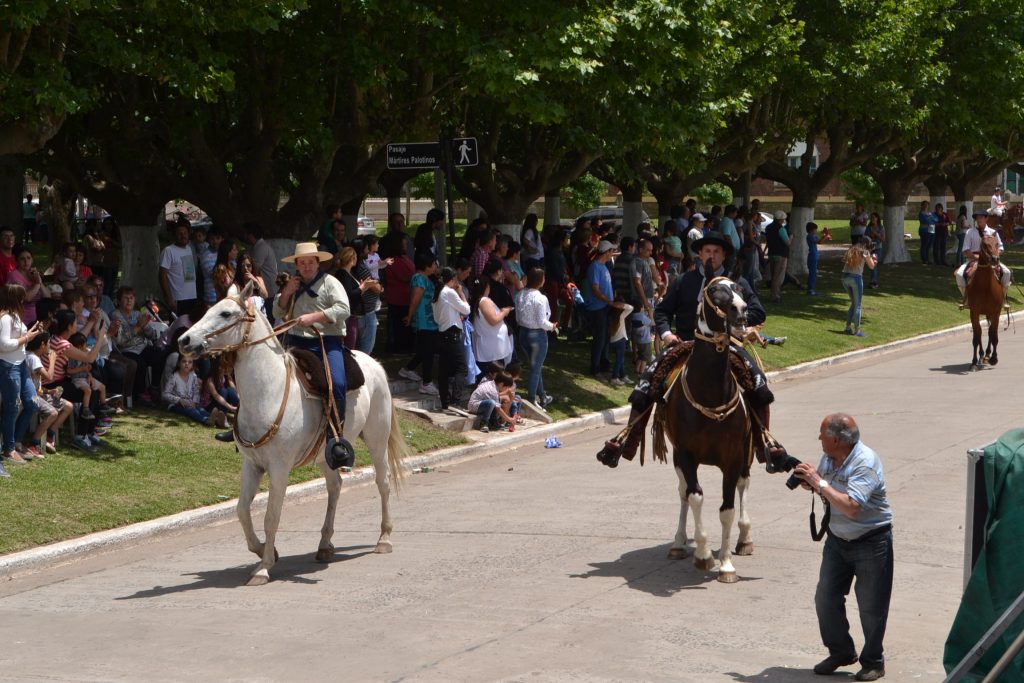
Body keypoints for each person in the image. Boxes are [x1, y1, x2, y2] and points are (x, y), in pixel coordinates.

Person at [598, 234, 779, 469]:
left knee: (757, 380)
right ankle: (627, 439)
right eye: (707, 252)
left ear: (724, 255)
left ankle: (766, 444)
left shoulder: (737, 283)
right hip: (686, 343)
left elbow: (758, 311)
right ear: (700, 255)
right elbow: (662, 312)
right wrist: (666, 335)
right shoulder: (685, 280)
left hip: (726, 344)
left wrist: (735, 324)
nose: (711, 256)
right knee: (649, 379)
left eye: (716, 252)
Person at [793, 413, 893, 682]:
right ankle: (841, 652)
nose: (818, 438)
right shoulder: (831, 457)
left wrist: (819, 483)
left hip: (872, 542)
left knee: (872, 607)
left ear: (835, 440)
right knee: (825, 599)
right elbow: (827, 487)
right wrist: (809, 480)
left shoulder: (865, 462)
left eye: (822, 434)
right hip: (838, 541)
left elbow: (850, 507)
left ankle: (873, 661)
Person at [274, 242, 352, 454]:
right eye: (302, 263)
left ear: (318, 263)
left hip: (326, 341)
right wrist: (286, 293)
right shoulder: (293, 284)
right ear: (297, 265)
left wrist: (315, 317)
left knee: (336, 382)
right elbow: (277, 312)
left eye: (310, 262)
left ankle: (335, 436)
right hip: (295, 341)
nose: (306, 266)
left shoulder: (330, 283)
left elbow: (344, 308)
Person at [0, 284, 43, 465]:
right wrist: (27, 338)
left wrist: (32, 332)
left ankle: (16, 441)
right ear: (16, 298)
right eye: (22, 296)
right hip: (8, 366)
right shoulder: (5, 318)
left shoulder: (16, 315)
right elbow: (4, 345)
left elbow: (18, 340)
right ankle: (8, 448)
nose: (25, 299)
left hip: (20, 365)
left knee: (32, 403)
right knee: (12, 407)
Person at [25, 334, 74, 457]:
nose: (50, 347)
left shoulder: (35, 356)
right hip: (31, 396)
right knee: (53, 413)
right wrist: (52, 360)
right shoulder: (33, 358)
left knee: (68, 406)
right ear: (42, 345)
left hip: (38, 393)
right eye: (48, 344)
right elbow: (50, 377)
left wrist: (48, 391)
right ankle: (33, 444)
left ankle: (50, 436)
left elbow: (37, 384)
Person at [515, 266, 556, 407]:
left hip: (523, 333)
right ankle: (532, 400)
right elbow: (541, 321)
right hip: (537, 335)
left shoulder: (520, 295)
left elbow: (518, 318)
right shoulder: (540, 298)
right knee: (535, 368)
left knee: (535, 367)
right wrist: (552, 326)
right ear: (540, 280)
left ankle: (543, 396)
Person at [432, 267, 470, 411]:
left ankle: (445, 402)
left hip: (441, 333)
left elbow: (436, 318)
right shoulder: (450, 292)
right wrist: (461, 292)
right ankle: (455, 401)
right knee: (462, 368)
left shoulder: (437, 293)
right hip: (453, 334)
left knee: (444, 371)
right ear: (452, 279)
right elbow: (466, 309)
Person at [955, 212, 1011, 308]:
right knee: (959, 274)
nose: (979, 219)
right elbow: (966, 249)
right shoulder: (970, 232)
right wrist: (977, 257)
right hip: (973, 259)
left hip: (991, 259)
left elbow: (1001, 247)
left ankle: (1003, 298)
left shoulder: (993, 232)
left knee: (1007, 272)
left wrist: (996, 255)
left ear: (986, 218)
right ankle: (967, 299)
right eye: (977, 218)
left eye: (981, 217)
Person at [470, 266, 514, 377]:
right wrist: (504, 312)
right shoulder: (484, 301)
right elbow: (493, 320)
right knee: (492, 378)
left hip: (489, 347)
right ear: (486, 287)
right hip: (491, 351)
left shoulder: (477, 300)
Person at [163, 355, 227, 427]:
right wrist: (179, 400)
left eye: (190, 362)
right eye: (184, 361)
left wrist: (195, 401)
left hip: (191, 403)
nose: (187, 364)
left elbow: (196, 391)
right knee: (191, 411)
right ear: (179, 363)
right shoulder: (174, 377)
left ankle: (219, 420)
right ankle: (207, 420)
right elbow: (165, 394)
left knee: (201, 410)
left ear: (192, 365)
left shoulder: (193, 376)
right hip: (175, 405)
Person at [159, 222, 200, 319]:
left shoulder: (189, 249)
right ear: (175, 236)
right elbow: (162, 275)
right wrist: (169, 298)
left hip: (192, 297)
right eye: (180, 234)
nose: (183, 236)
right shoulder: (168, 251)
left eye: (185, 233)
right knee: (178, 329)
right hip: (178, 299)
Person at [66, 331, 109, 418]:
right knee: (88, 390)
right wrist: (82, 369)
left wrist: (89, 374)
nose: (86, 347)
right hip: (77, 379)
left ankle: (103, 405)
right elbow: (69, 371)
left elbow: (87, 368)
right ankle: (85, 409)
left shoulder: (85, 355)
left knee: (102, 387)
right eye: (85, 345)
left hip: (86, 378)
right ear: (79, 347)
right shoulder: (73, 358)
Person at [6, 247, 50, 325]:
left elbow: (47, 296)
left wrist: (39, 281)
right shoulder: (13, 276)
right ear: (17, 261)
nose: (26, 261)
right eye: (22, 259)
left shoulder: (33, 275)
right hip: (22, 319)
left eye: (28, 258)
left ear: (32, 260)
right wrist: (37, 283)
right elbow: (27, 298)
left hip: (38, 318)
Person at [841, 240, 876, 337]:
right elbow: (872, 266)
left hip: (844, 277)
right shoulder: (865, 252)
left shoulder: (852, 249)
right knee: (858, 305)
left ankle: (848, 328)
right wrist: (874, 259)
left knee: (854, 303)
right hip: (855, 278)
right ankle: (857, 330)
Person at [243, 222, 279, 303]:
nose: (244, 237)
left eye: (246, 234)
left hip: (268, 290)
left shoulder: (260, 248)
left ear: (251, 235)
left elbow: (254, 270)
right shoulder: (259, 247)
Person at [765, 210, 791, 303]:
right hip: (781, 254)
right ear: (781, 219)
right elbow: (787, 242)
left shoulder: (768, 227)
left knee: (773, 275)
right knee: (778, 276)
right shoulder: (781, 229)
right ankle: (775, 295)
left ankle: (774, 294)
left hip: (772, 253)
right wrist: (791, 237)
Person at [865, 213, 885, 289]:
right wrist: (870, 236)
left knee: (873, 264)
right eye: (871, 218)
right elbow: (865, 237)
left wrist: (876, 234)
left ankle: (874, 282)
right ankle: (873, 281)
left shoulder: (881, 227)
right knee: (871, 265)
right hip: (870, 249)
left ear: (877, 218)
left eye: (874, 217)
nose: (872, 219)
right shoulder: (868, 227)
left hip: (877, 249)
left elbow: (883, 239)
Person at [917, 200, 937, 265]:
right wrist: (931, 219)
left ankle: (928, 259)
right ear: (922, 206)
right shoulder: (921, 214)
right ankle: (924, 259)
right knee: (924, 245)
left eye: (927, 205)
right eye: (924, 205)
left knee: (929, 245)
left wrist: (931, 219)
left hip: (931, 230)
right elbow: (926, 221)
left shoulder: (930, 213)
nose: (926, 206)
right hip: (924, 230)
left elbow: (936, 219)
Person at [806, 222, 821, 297]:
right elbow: (818, 241)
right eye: (815, 230)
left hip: (814, 255)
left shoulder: (813, 236)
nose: (816, 231)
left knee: (814, 273)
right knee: (812, 273)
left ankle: (811, 289)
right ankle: (810, 289)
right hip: (812, 256)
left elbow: (819, 240)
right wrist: (825, 236)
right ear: (811, 230)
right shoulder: (809, 236)